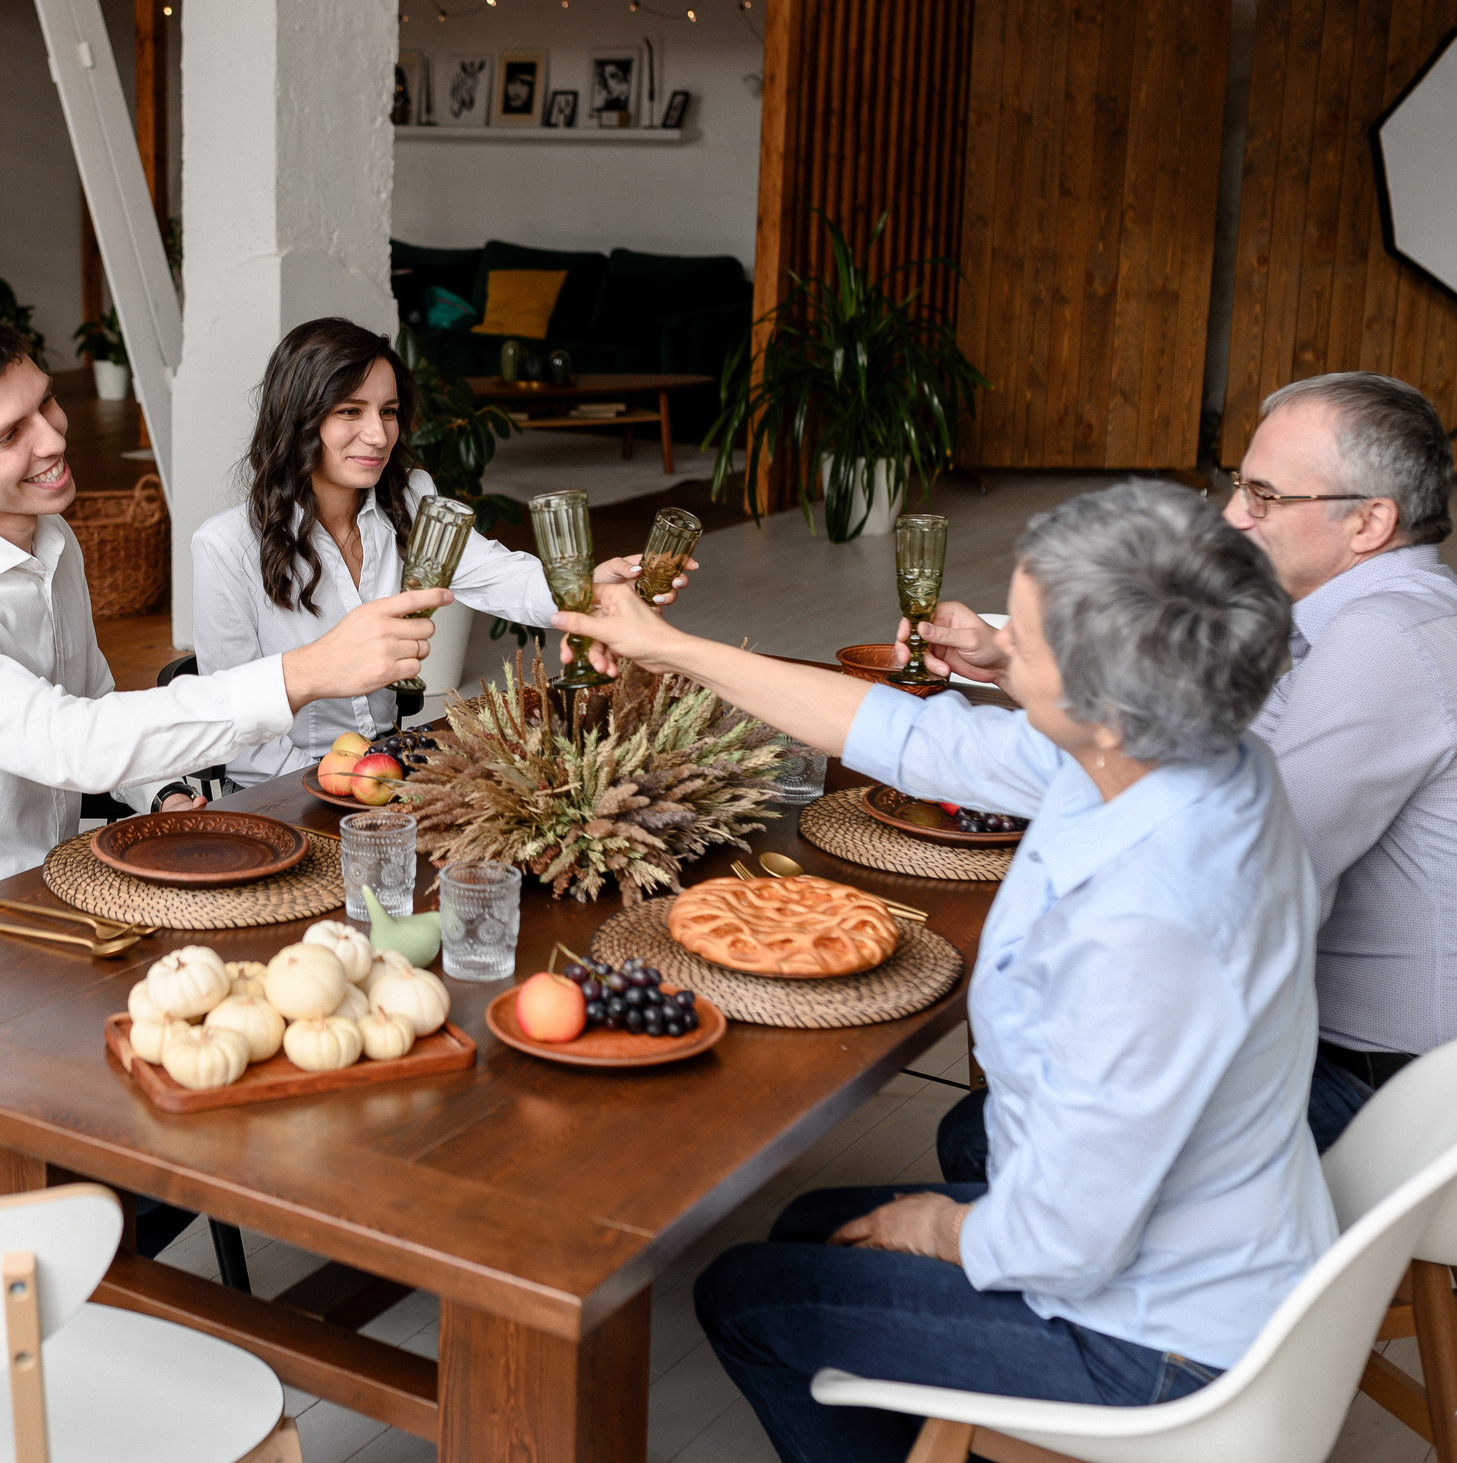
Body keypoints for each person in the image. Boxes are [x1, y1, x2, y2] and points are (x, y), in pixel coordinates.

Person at [552, 482, 1331, 1463]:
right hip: (1212, 1242)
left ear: (1108, 705)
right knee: (809, 1225)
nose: (1000, 652)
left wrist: (933, 1227)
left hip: (1154, 1342)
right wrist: (669, 647)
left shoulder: (1152, 927)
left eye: (1023, 642)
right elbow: (919, 738)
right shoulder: (1190, 754)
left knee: (744, 1295)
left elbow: (1064, 1240)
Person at [904, 375, 1457, 1156]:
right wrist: (1021, 664)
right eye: (1239, 484)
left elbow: (1228, 876)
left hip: (1410, 1101)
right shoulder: (1421, 607)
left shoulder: (1383, 644)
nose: (1233, 516)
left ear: (1370, 521)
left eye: (1265, 497)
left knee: (988, 1129)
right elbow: (1210, 747)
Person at [0, 307, 451, 926]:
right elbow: (70, 741)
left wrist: (163, 793)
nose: (53, 440)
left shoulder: (49, 539)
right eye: (9, 435)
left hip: (50, 880)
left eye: (45, 403)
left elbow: (93, 698)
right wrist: (304, 673)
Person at [190, 318, 672, 787]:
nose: (379, 435)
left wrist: (587, 590)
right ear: (297, 419)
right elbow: (239, 727)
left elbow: (496, 574)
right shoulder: (226, 547)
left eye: (389, 411)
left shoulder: (410, 496)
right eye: (350, 411)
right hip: (281, 787)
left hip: (386, 767)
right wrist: (330, 786)